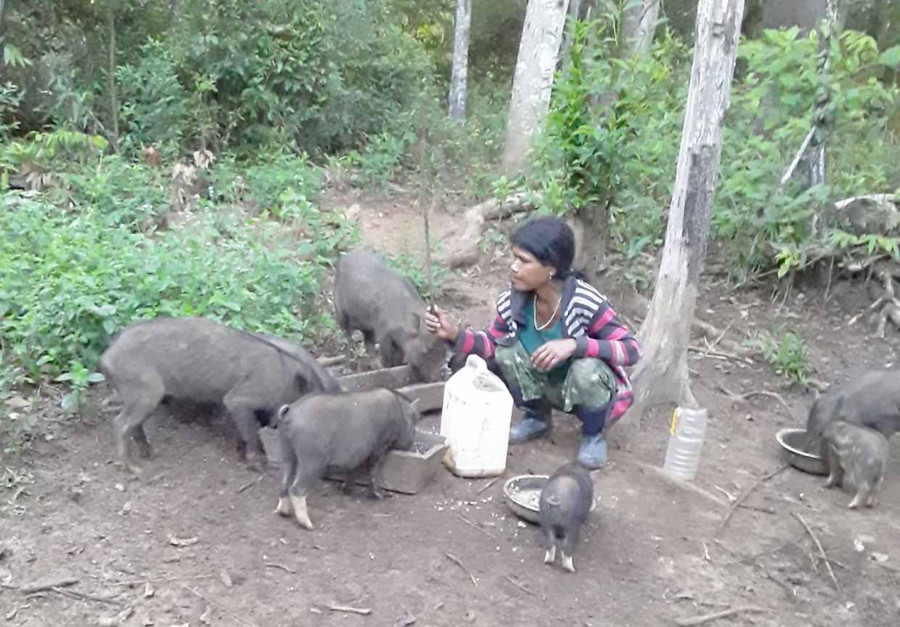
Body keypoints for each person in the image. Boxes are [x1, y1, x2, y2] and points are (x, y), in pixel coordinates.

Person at [425, 216, 640, 468]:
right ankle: (536, 417)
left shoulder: (584, 301)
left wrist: (575, 345)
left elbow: (631, 349)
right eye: (514, 258)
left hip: (580, 388)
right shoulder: (513, 302)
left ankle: (593, 436)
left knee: (587, 369)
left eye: (524, 261)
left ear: (551, 268)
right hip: (543, 383)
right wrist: (455, 335)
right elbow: (492, 344)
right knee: (506, 353)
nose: (513, 267)